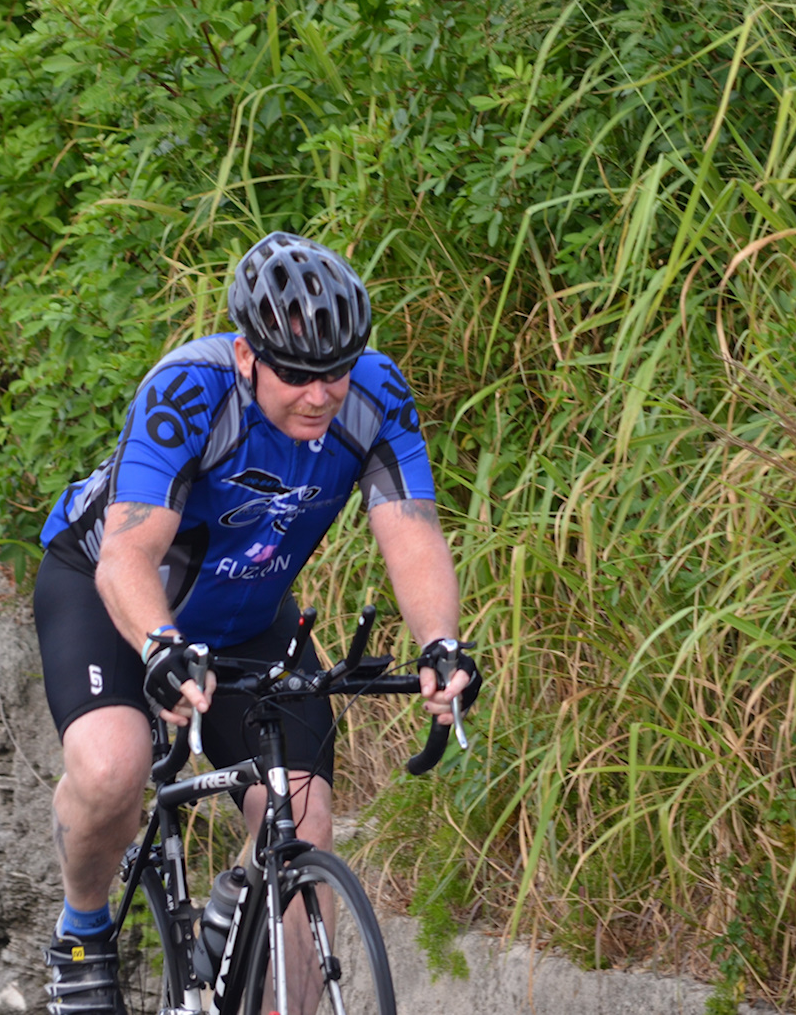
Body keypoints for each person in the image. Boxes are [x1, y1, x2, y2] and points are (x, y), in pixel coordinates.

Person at [32, 231, 481, 1015]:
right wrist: (161, 645)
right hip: (115, 591)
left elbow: (410, 528)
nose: (320, 395)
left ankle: (252, 920)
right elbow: (129, 554)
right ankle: (82, 930)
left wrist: (439, 644)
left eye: (335, 373)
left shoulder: (376, 395)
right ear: (247, 355)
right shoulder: (189, 390)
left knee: (302, 820)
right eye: (299, 376)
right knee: (113, 767)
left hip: (246, 611)